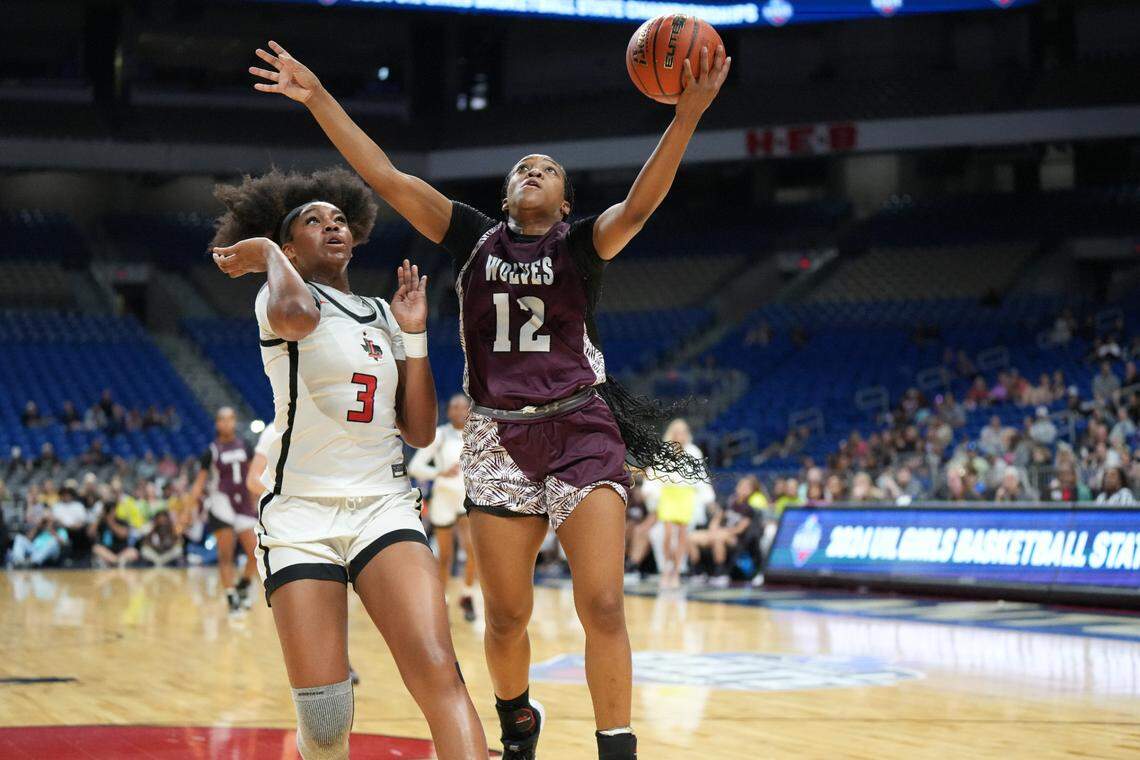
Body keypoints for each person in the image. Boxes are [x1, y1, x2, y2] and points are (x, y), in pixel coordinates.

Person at [246, 36, 726, 760]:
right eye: (523, 169)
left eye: (549, 171)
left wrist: (686, 116)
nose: (534, 171)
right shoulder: (472, 236)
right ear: (505, 197)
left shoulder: (582, 246)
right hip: (499, 437)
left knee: (601, 602)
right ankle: (517, 723)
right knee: (505, 619)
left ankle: (617, 748)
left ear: (566, 202)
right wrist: (317, 96)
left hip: (582, 426)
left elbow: (642, 202)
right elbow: (383, 173)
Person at [209, 167, 486, 759]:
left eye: (339, 220)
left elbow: (415, 430)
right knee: (327, 718)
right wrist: (263, 254)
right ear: (289, 247)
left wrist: (413, 336)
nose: (332, 226)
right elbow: (296, 318)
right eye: (313, 221)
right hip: (299, 519)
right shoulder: (277, 293)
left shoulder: (382, 316)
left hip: (383, 508)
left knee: (441, 673)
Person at [409, 393, 479, 622]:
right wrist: (439, 472)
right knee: (445, 555)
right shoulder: (439, 435)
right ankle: (443, 601)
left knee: (472, 551)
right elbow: (415, 466)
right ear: (448, 412)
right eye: (454, 407)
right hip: (442, 499)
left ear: (470, 410)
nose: (459, 411)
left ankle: (467, 596)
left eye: (463, 407)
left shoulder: (477, 435)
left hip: (466, 500)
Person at [190, 407, 259, 614]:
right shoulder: (211, 451)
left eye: (230, 419)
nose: (227, 423)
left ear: (235, 421)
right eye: (222, 419)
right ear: (217, 424)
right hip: (221, 503)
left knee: (256, 552)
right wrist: (186, 513)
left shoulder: (245, 446)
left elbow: (253, 474)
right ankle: (231, 597)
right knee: (226, 554)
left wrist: (256, 500)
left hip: (244, 504)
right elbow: (199, 484)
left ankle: (243, 585)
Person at [640, 419, 712, 590]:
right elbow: (654, 472)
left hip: (685, 495)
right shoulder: (664, 450)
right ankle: (667, 568)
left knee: (682, 535)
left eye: (683, 431)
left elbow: (701, 474)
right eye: (677, 431)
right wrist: (648, 488)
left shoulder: (694, 451)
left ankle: (677, 572)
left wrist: (707, 496)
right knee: (667, 534)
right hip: (668, 495)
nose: (680, 435)